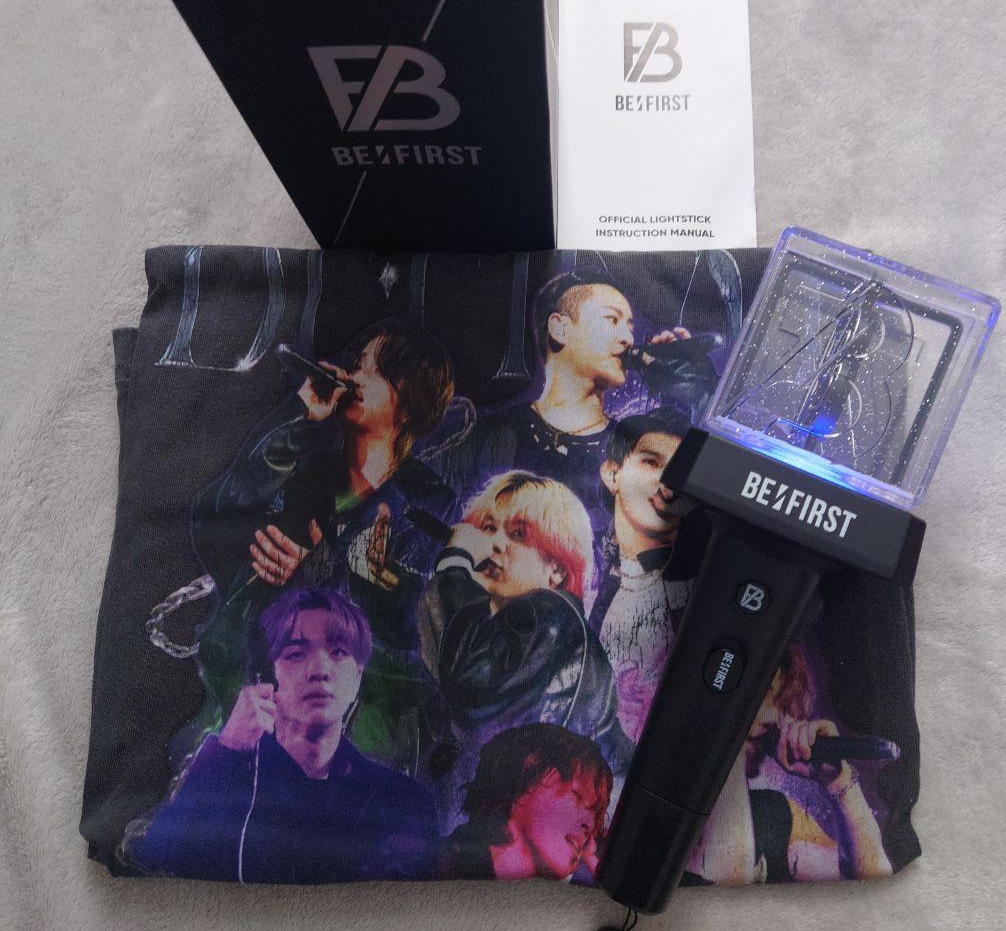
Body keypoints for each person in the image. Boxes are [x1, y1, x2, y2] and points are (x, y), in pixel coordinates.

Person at [185, 317, 457, 773]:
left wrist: (319, 575)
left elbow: (410, 641)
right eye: (356, 363)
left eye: (373, 370)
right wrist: (298, 415)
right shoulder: (305, 473)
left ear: (409, 401)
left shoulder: (428, 509)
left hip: (360, 746)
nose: (353, 376)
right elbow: (216, 521)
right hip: (259, 713)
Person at [123, 587, 438, 883]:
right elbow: (158, 856)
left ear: (357, 676)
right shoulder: (233, 774)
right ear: (266, 674)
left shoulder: (405, 802)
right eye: (296, 654)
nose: (320, 670)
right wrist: (229, 749)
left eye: (338, 652)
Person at [420, 471, 631, 823]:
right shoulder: (548, 634)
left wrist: (455, 560)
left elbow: (469, 678)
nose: (494, 544)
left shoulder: (552, 615)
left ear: (557, 570)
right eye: (488, 529)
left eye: (518, 534)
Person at [434, 269, 700, 521]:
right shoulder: (483, 436)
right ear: (559, 328)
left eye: (630, 327)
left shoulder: (636, 454)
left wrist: (687, 400)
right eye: (612, 319)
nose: (628, 339)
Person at [743, 644, 894, 882]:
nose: (773, 719)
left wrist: (839, 780)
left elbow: (874, 874)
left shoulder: (772, 812)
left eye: (781, 707)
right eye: (760, 694)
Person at [586, 409, 692, 744]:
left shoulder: (693, 590)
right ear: (612, 473)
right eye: (651, 462)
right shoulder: (584, 570)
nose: (668, 486)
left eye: (682, 473)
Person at [440, 724, 612, 882]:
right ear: (530, 764)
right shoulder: (442, 869)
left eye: (594, 815)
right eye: (578, 796)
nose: (590, 825)